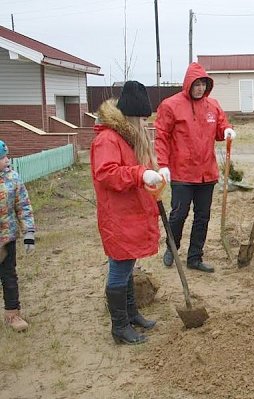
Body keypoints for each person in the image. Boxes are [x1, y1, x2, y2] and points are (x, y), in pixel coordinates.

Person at [91, 81, 163, 345]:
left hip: (130, 213)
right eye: (141, 119)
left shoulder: (128, 136)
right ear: (130, 115)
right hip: (118, 216)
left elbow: (139, 166)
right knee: (120, 268)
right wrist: (139, 173)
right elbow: (107, 173)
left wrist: (157, 173)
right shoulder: (107, 139)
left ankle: (131, 314)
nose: (144, 124)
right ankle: (119, 326)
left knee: (128, 264)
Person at [154, 63, 236, 273]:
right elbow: (161, 137)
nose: (199, 88)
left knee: (203, 216)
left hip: (207, 173)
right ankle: (172, 248)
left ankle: (195, 256)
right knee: (179, 214)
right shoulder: (171, 105)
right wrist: (163, 165)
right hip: (182, 172)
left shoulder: (213, 106)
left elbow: (220, 128)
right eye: (196, 84)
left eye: (203, 84)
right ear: (188, 84)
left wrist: (227, 131)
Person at [0, 140, 35, 332]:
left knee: (9, 278)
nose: (6, 160)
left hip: (6, 241)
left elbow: (23, 207)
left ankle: (12, 314)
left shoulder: (13, 179)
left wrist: (28, 233)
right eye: (2, 158)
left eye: (6, 156)